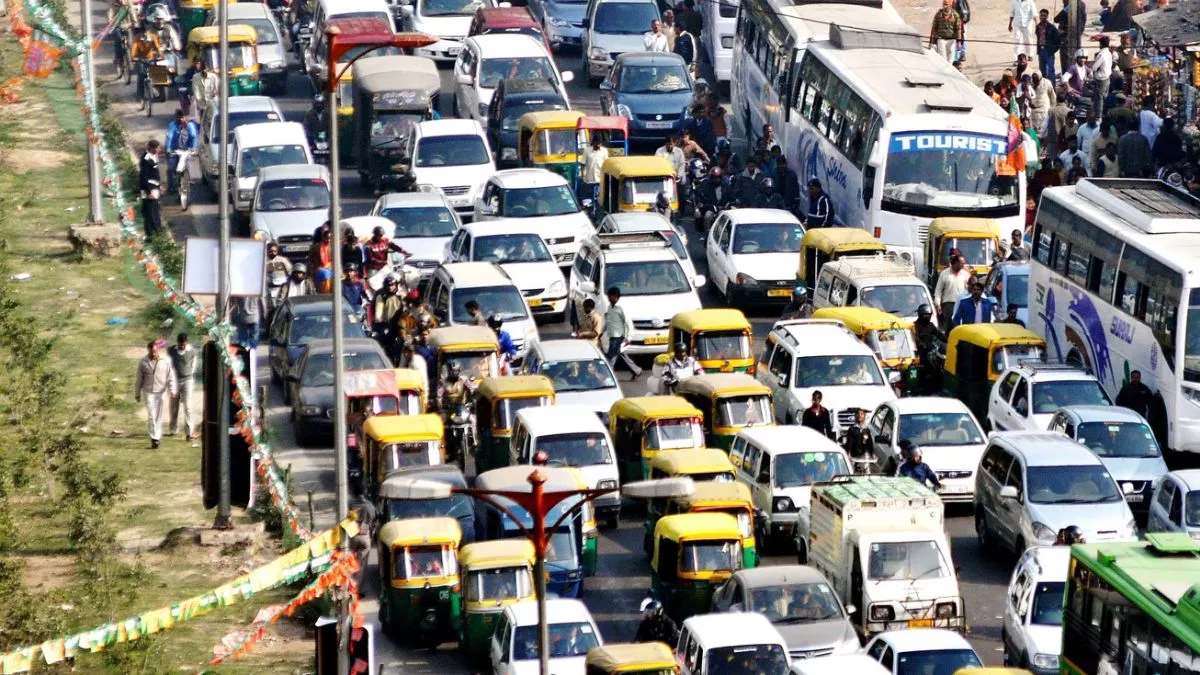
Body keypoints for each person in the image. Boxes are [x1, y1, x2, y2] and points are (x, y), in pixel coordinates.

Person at [135, 340, 177, 449]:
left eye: (154, 351)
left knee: (158, 416)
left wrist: (172, 390)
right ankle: (154, 437)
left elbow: (170, 376)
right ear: (148, 351)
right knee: (151, 415)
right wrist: (137, 393)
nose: (153, 354)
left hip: (160, 392)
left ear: (157, 350)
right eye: (151, 352)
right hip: (148, 392)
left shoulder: (165, 361)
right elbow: (139, 379)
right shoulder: (143, 362)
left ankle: (157, 437)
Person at [602, 287, 642, 379]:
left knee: (611, 357)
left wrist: (629, 337)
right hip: (612, 336)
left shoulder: (621, 308)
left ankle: (608, 376)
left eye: (610, 296)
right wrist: (602, 331)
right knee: (621, 354)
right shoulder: (610, 307)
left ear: (616, 297)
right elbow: (608, 321)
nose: (608, 298)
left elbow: (628, 323)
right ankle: (637, 370)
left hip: (618, 337)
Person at [166, 332, 197, 439]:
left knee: (188, 406)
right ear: (178, 342)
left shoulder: (192, 351)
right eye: (180, 344)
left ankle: (189, 432)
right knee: (173, 406)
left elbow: (193, 365)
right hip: (174, 380)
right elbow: (168, 364)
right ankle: (173, 429)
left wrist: (189, 374)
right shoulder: (171, 350)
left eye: (184, 344)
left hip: (187, 380)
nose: (182, 346)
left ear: (187, 342)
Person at [934, 255, 971, 332]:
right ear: (956, 263)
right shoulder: (944, 274)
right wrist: (938, 304)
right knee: (949, 327)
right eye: (961, 263)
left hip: (962, 304)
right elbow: (938, 290)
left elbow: (969, 290)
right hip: (948, 305)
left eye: (964, 263)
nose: (963, 265)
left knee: (961, 327)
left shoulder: (965, 274)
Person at [129, 27, 163, 102]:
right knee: (141, 75)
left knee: (159, 71)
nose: (146, 34)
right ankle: (140, 95)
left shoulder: (153, 37)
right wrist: (134, 58)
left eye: (147, 32)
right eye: (144, 33)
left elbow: (158, 47)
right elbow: (133, 51)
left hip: (150, 58)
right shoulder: (137, 38)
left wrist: (161, 56)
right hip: (140, 59)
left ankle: (161, 92)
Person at [139, 139, 163, 238]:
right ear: (152, 148)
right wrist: (148, 192)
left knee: (155, 209)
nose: (159, 150)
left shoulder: (153, 157)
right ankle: (150, 233)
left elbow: (154, 174)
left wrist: (159, 186)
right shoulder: (146, 158)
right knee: (149, 211)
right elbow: (144, 177)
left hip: (154, 187)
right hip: (148, 188)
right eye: (158, 148)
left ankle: (157, 230)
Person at [1035, 8, 1061, 79]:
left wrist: (1053, 50)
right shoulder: (1038, 27)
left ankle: (1052, 86)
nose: (1042, 17)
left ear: (1047, 17)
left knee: (1051, 71)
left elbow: (1058, 40)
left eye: (1044, 15)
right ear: (1039, 16)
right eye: (1041, 15)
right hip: (1041, 51)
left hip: (1049, 52)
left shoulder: (1051, 27)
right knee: (1042, 71)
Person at [1091, 36, 1114, 115]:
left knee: (1099, 99)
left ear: (1101, 44)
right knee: (1105, 97)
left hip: (1101, 79)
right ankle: (1105, 114)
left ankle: (1099, 116)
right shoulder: (1109, 53)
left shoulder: (1101, 54)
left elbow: (1094, 67)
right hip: (1107, 78)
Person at [581, 137, 607, 203]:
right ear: (593, 143)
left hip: (600, 178)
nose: (598, 145)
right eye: (597, 144)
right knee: (589, 198)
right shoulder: (586, 150)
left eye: (599, 144)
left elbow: (607, 163)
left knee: (599, 197)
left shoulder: (604, 151)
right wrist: (582, 174)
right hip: (589, 178)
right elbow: (583, 164)